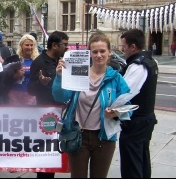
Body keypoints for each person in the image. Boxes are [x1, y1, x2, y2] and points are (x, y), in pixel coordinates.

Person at [52, 32, 130, 178]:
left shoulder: (116, 78)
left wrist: (115, 113)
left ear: (109, 52)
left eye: (102, 51)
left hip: (104, 139)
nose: (99, 55)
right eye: (95, 51)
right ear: (89, 53)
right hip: (78, 135)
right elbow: (60, 97)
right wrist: (59, 77)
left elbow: (128, 107)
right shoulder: (78, 72)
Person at [27, 30, 69, 178]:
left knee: (56, 154)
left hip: (62, 111)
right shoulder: (39, 62)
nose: (67, 47)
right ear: (54, 45)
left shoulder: (62, 60)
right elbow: (30, 89)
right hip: (46, 113)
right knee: (46, 157)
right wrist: (41, 82)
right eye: (64, 45)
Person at [119, 28, 158, 178]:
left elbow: (125, 94)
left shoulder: (137, 66)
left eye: (124, 46)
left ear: (133, 47)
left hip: (135, 122)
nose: (123, 50)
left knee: (132, 166)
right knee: (142, 160)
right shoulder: (150, 61)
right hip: (145, 120)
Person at [7, 34, 39, 105]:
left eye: (31, 45)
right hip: (15, 94)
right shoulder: (15, 59)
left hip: (31, 95)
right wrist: (15, 76)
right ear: (21, 46)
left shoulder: (37, 60)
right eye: (27, 45)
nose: (29, 47)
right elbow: (6, 77)